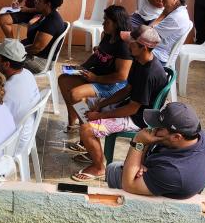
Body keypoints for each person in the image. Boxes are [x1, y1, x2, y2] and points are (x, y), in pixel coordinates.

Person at [69, 26, 169, 183]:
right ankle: (92, 149)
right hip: (128, 107)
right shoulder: (139, 60)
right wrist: (102, 104)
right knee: (85, 105)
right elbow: (127, 89)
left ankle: (99, 168)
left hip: (137, 119)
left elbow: (132, 109)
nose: (128, 45)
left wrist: (100, 115)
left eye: (132, 43)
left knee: (87, 129)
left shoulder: (149, 73)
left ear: (143, 47)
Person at [102, 103, 205, 198]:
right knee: (118, 168)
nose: (153, 129)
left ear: (176, 137)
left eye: (159, 127)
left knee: (113, 170)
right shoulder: (194, 134)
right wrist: (140, 161)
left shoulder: (174, 172)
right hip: (161, 177)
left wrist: (138, 142)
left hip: (161, 203)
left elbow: (128, 186)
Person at [58, 5, 132, 131]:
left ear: (116, 23)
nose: (103, 23)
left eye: (106, 21)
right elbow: (97, 55)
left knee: (76, 94)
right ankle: (73, 118)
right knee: (63, 80)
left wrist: (96, 78)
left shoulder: (123, 45)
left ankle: (86, 126)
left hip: (112, 85)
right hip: (98, 77)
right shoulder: (107, 36)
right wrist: (81, 67)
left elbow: (122, 76)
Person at [0, 38, 41, 152]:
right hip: (26, 134)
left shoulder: (6, 91)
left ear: (6, 64)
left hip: (12, 145)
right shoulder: (27, 73)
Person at [22, 0, 68, 74]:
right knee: (4, 54)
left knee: (4, 60)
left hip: (41, 61)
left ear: (48, 4)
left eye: (39, 1)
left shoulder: (51, 22)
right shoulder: (45, 15)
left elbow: (36, 48)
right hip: (35, 55)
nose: (35, 2)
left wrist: (17, 50)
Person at [148, 0, 193, 66]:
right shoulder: (179, 12)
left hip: (158, 56)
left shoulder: (175, 18)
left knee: (127, 49)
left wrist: (162, 15)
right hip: (158, 51)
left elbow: (147, 35)